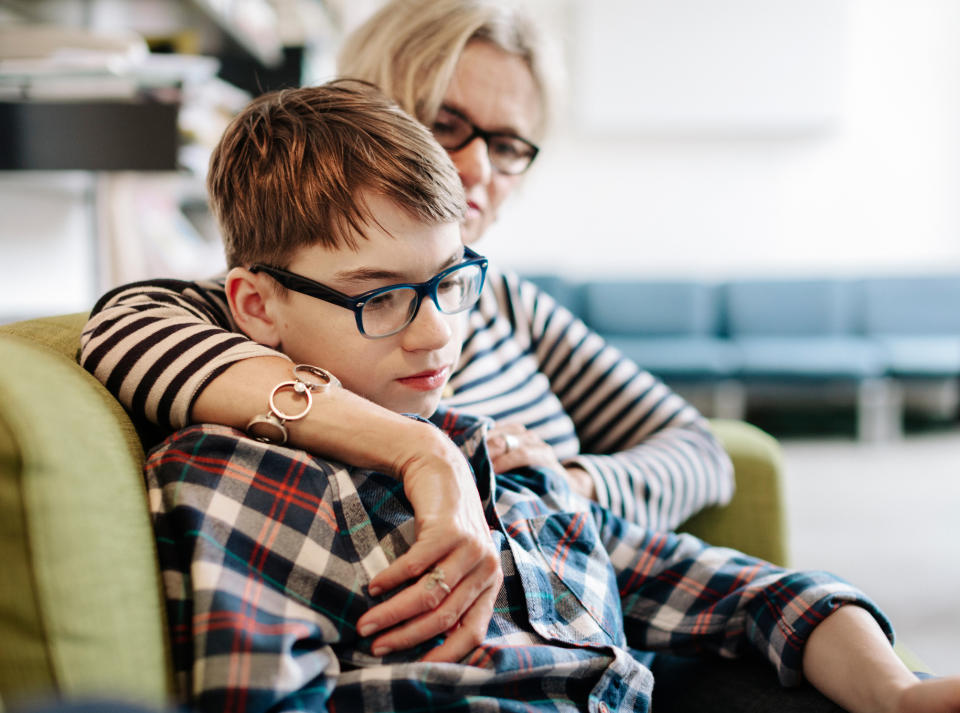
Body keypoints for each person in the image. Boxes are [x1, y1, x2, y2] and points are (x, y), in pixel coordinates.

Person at [145, 81, 960, 713]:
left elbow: (749, 592)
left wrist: (898, 691)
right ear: (256, 306)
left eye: (450, 283)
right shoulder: (244, 480)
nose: (435, 336)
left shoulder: (495, 456)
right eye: (379, 297)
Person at [80, 0, 733, 663]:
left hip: (616, 623)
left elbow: (699, 450)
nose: (477, 168)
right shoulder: (280, 303)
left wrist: (568, 482)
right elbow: (122, 331)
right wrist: (428, 452)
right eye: (448, 124)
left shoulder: (508, 300)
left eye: (507, 145)